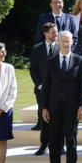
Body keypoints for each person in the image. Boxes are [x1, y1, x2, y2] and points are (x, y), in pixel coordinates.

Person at [41, 31, 82, 163]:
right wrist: (44, 107)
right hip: (54, 108)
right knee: (54, 142)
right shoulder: (50, 62)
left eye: (69, 41)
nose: (66, 44)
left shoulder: (79, 60)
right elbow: (46, 86)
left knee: (71, 141)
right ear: (58, 42)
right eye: (63, 41)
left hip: (72, 108)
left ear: (72, 42)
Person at [31, 23, 58, 154]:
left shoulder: (61, 47)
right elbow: (33, 69)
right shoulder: (37, 48)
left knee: (59, 117)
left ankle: (59, 145)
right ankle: (44, 144)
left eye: (56, 32)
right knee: (44, 117)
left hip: (59, 90)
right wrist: (39, 85)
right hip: (42, 90)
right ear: (45, 34)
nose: (56, 35)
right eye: (53, 32)